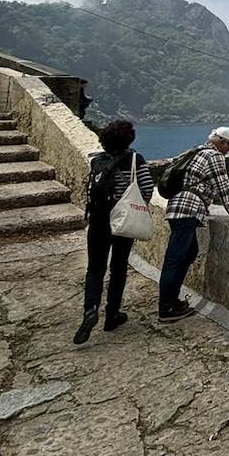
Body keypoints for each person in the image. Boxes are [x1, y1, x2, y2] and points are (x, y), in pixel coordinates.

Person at [158, 125, 229, 322]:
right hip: (188, 210)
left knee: (189, 253)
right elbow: (223, 186)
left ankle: (173, 301)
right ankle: (166, 308)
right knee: (174, 259)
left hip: (177, 207)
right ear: (221, 142)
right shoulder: (214, 156)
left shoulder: (195, 151)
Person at [75, 119, 155, 344]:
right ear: (129, 139)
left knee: (94, 269)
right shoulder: (134, 160)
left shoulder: (96, 161)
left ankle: (90, 309)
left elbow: (89, 189)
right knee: (118, 267)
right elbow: (147, 188)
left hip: (98, 222)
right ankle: (112, 314)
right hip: (122, 223)